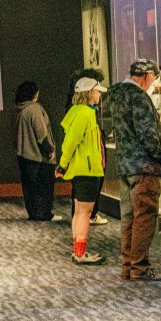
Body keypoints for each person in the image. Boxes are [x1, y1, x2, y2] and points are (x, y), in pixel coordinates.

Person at [107, 58, 161, 282]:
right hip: (143, 167)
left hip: (124, 166)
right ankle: (139, 268)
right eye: (153, 77)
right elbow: (149, 135)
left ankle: (128, 266)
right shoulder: (139, 97)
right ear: (146, 76)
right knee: (145, 216)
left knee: (129, 218)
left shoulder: (115, 95)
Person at [58, 78, 107, 265]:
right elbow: (70, 143)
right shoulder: (85, 114)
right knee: (84, 213)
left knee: (79, 212)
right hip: (87, 172)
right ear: (89, 93)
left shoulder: (77, 112)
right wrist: (62, 164)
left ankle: (77, 251)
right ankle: (80, 253)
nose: (99, 95)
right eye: (97, 91)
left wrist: (64, 165)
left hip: (80, 170)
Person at [13, 82, 60, 222]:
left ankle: (34, 213)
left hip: (23, 155)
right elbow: (41, 133)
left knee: (30, 188)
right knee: (44, 187)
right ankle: (44, 214)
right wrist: (49, 149)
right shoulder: (34, 109)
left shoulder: (19, 110)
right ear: (34, 93)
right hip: (38, 157)